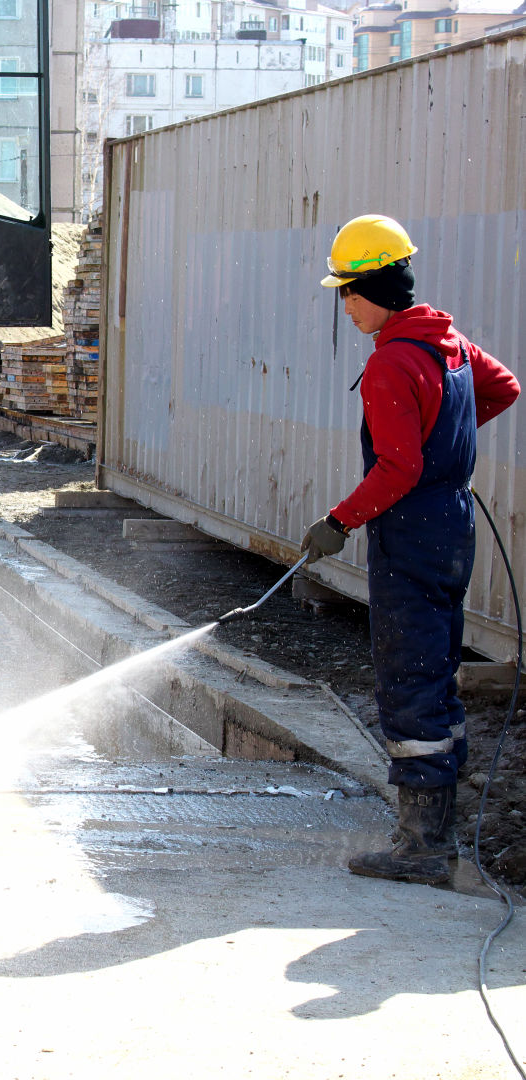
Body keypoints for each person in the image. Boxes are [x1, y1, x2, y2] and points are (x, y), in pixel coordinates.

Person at [300, 213, 519, 885]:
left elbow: (394, 471)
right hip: (451, 526)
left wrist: (337, 521)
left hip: (409, 533)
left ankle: (421, 849)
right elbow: (503, 386)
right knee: (437, 671)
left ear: (377, 287)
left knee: (409, 679)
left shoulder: (390, 365)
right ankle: (436, 836)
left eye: (348, 291)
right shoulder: (444, 343)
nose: (345, 306)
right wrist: (446, 446)